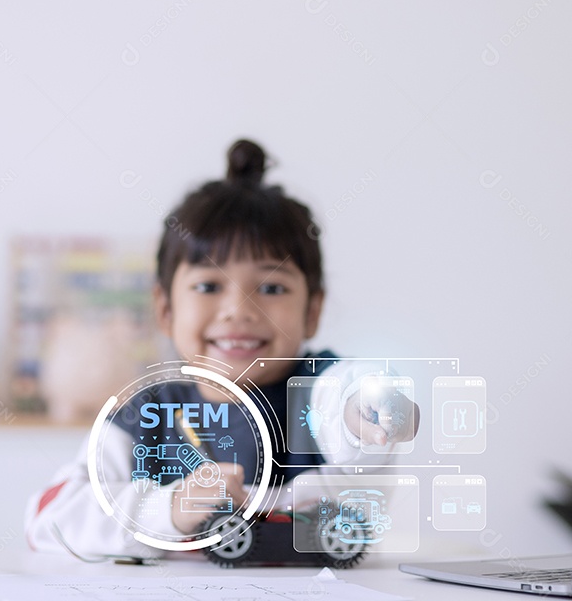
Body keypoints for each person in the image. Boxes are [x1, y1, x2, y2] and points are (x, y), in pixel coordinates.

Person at [25, 139, 419, 557]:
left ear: (312, 310)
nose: (238, 310)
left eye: (271, 287)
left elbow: (349, 393)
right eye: (208, 286)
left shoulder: (321, 390)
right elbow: (47, 520)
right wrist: (170, 509)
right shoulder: (141, 415)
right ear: (165, 309)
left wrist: (367, 411)